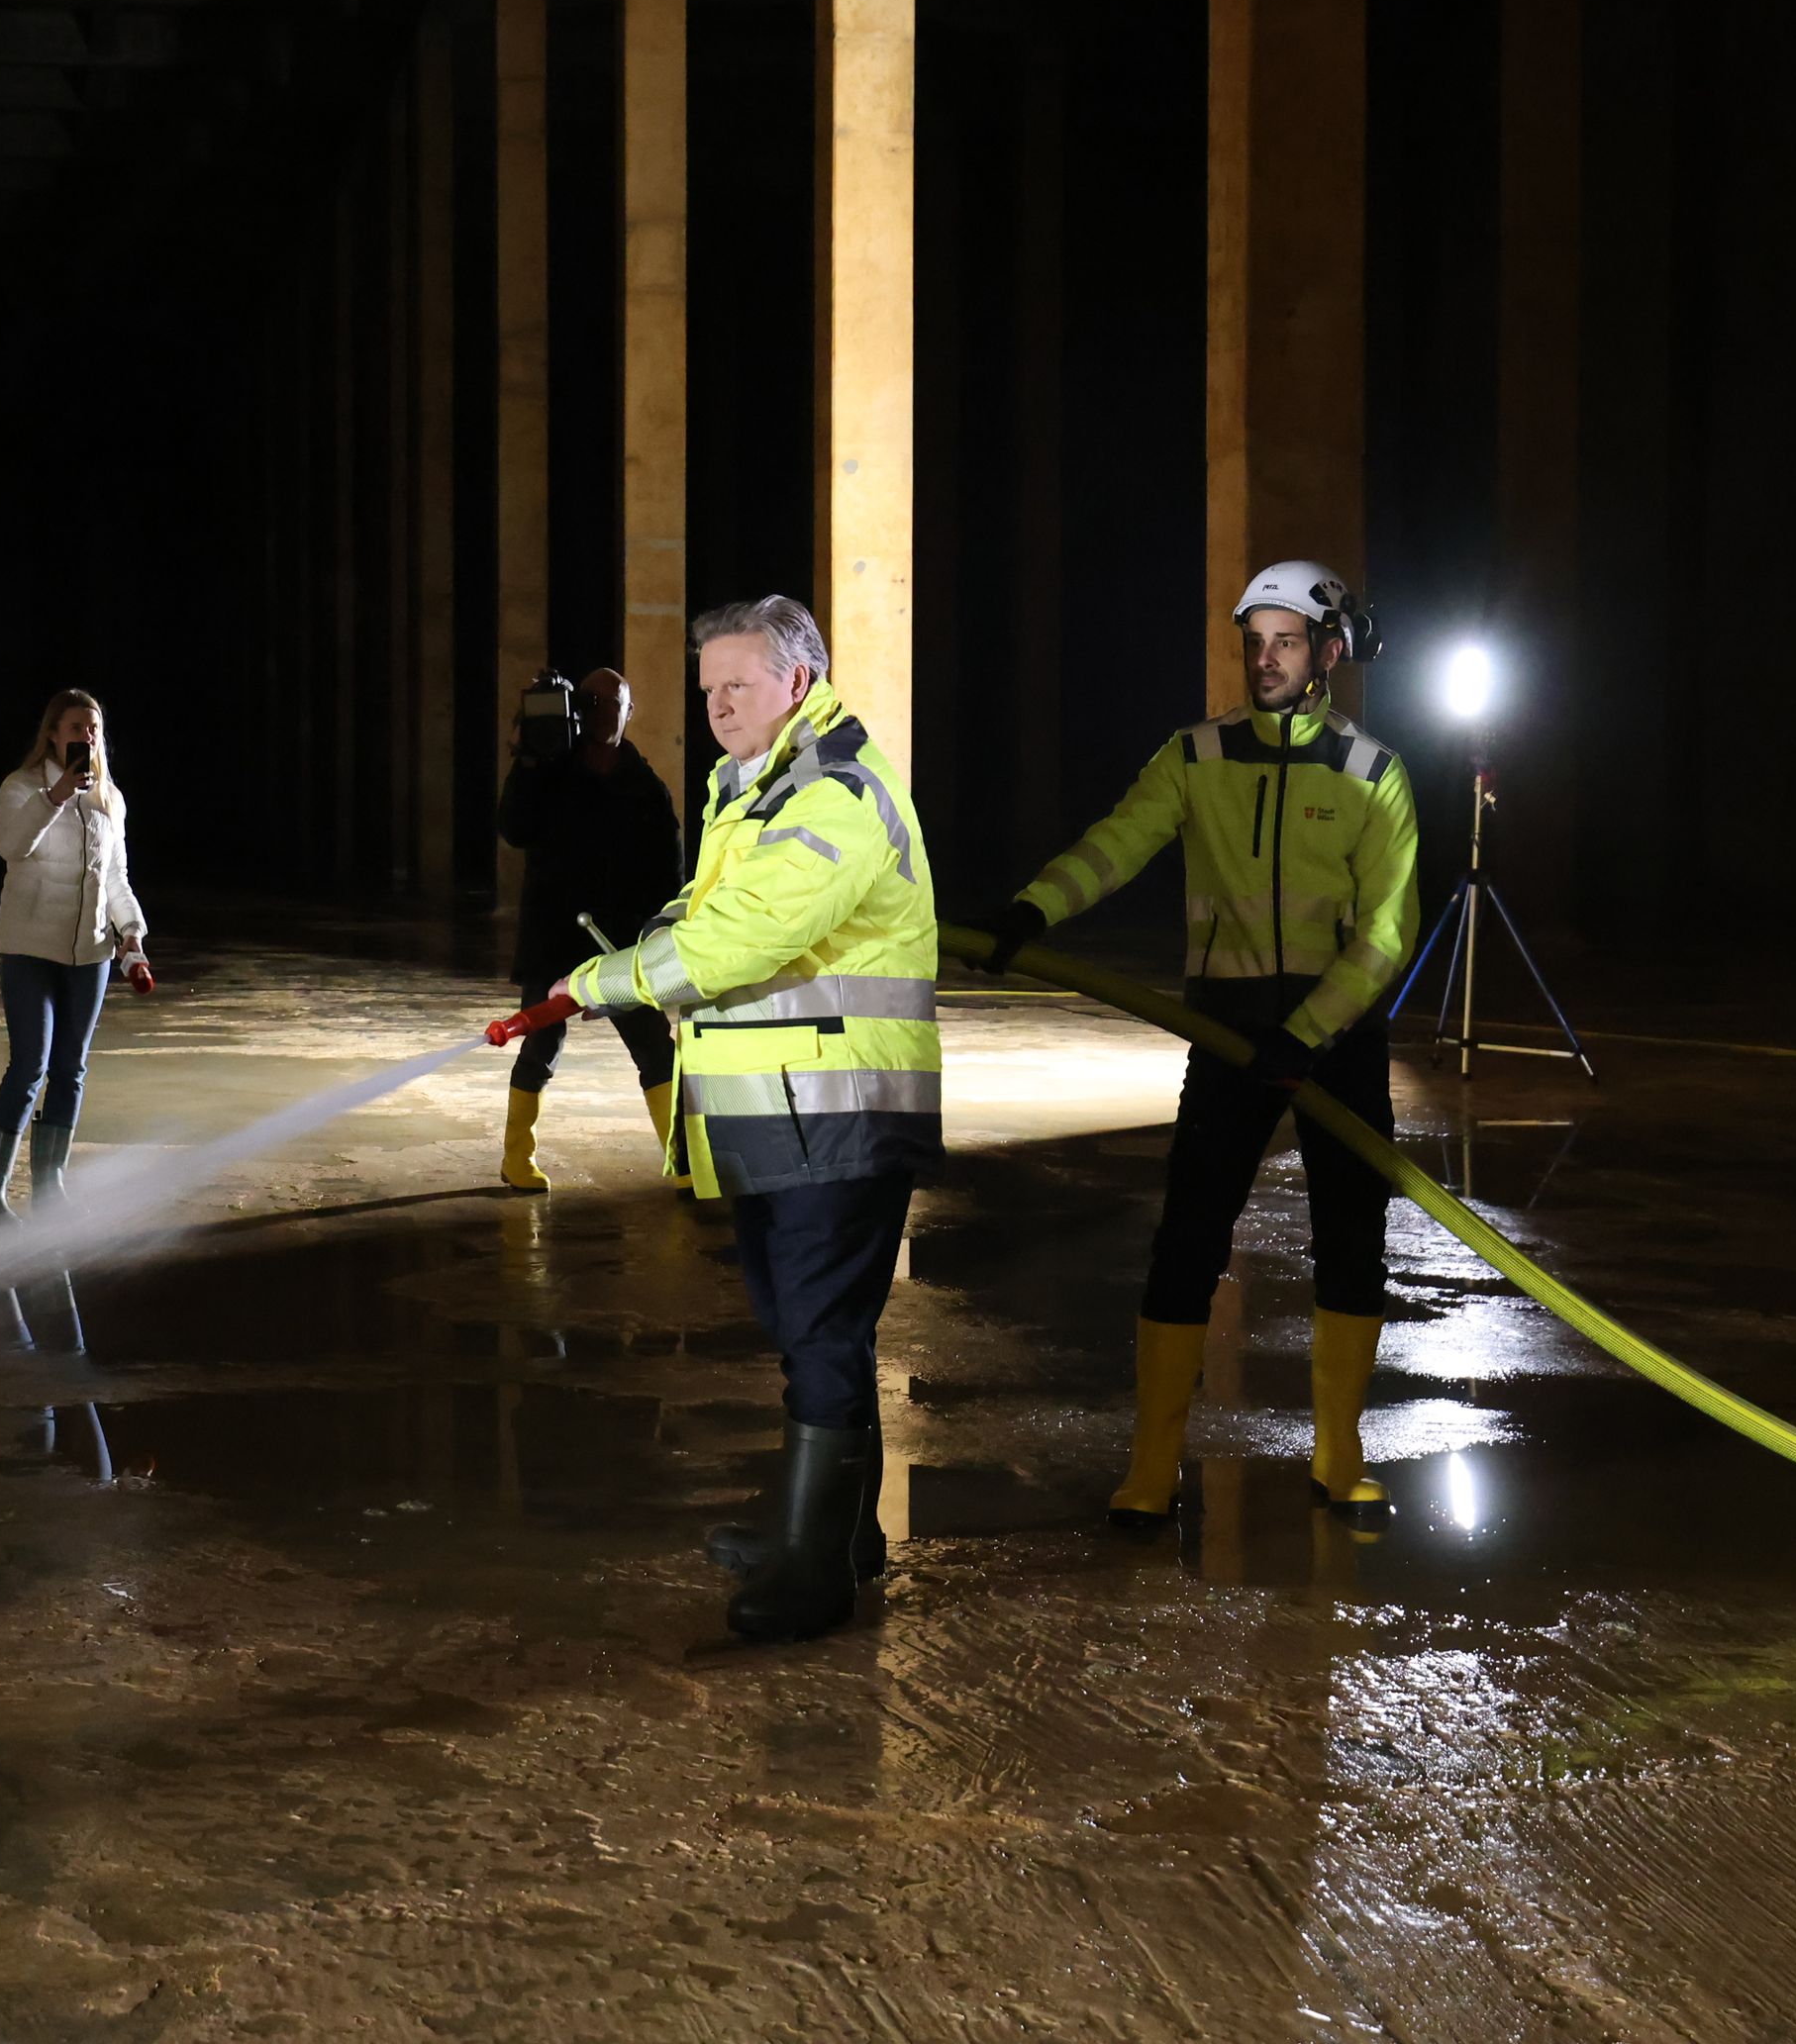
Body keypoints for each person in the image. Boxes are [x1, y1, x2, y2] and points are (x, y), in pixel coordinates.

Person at [506, 595, 939, 1644]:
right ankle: (837, 1534)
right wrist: (638, 944)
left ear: (799, 681)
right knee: (811, 1330)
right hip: (783, 1106)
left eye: (737, 684)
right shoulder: (755, 788)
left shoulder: (833, 794)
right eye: (706, 690)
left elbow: (734, 946)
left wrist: (607, 980)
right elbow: (703, 914)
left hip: (837, 1107)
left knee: (821, 1331)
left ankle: (815, 1573)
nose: (718, 706)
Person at [967, 560, 1420, 1529]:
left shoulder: (1373, 777)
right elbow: (1117, 843)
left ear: (1328, 653)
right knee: (1185, 1241)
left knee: (1351, 1243)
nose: (1263, 657)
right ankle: (1151, 1468)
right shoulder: (1196, 757)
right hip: (1223, 1025)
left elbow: (1386, 934)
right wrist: (1032, 908)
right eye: (1252, 640)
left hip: (1333, 1037)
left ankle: (1338, 1458)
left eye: (1285, 640)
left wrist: (1305, 1032)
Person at [494, 665, 683, 1191]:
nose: (600, 709)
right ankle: (517, 1158)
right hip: (553, 935)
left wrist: (657, 937)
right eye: (590, 699)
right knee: (540, 1043)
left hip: (618, 943)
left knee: (652, 1045)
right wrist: (526, 757)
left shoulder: (646, 788)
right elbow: (514, 828)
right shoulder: (550, 771)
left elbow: (669, 871)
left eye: (611, 700)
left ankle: (683, 1160)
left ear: (629, 710)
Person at [0, 689, 152, 1222]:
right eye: (77, 726)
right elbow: (11, 846)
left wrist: (131, 933)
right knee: (29, 1065)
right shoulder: (22, 787)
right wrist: (54, 797)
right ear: (53, 732)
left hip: (92, 955)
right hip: (31, 948)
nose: (88, 735)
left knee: (71, 1069)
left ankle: (50, 1186)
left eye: (95, 727)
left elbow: (117, 878)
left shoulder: (109, 798)